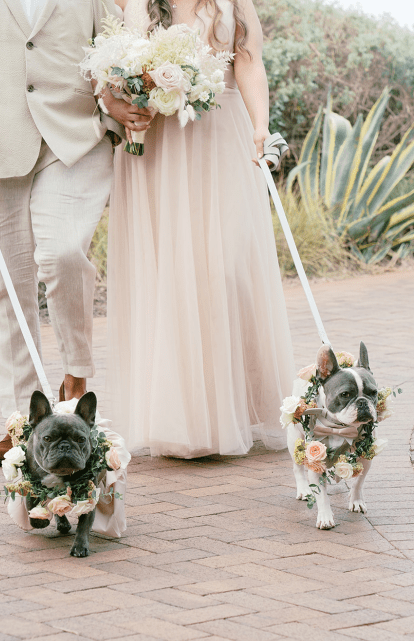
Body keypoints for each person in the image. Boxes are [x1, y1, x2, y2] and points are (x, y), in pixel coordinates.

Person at [0, 0, 151, 464]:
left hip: (75, 137)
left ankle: (76, 375)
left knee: (63, 253)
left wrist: (118, 101)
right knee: (7, 290)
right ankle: (23, 422)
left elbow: (114, 42)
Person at [104, 0, 295, 458]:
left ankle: (237, 410)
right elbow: (107, 70)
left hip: (221, 139)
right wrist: (122, 97)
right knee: (169, 274)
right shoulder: (132, 2)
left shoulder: (232, 2)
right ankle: (182, 421)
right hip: (159, 144)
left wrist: (260, 127)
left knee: (227, 268)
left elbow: (249, 62)